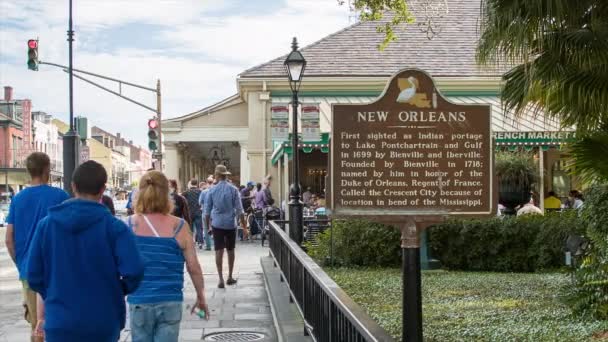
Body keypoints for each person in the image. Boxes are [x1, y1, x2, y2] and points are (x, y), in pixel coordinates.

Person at [25, 160, 144, 342]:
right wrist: (115, 289)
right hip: (103, 319)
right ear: (103, 189)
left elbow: (33, 274)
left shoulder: (46, 226)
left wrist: (54, 292)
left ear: (73, 186)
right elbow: (135, 270)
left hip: (60, 319)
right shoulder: (115, 228)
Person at [126, 171, 209, 342]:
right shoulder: (179, 226)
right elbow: (193, 267)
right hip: (170, 300)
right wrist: (201, 297)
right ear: (167, 194)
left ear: (139, 193)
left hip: (139, 300)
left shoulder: (128, 225)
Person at [4, 152, 70, 340]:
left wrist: (22, 264)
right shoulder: (60, 196)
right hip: (57, 271)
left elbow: (9, 239)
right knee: (60, 323)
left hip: (29, 272)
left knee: (37, 326)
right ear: (47, 169)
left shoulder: (18, 199)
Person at [204, 165, 246, 288]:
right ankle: (230, 276)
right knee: (230, 250)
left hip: (216, 224)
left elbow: (206, 212)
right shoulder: (233, 190)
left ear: (217, 176)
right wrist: (244, 227)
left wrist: (208, 228)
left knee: (218, 251)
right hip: (230, 224)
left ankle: (221, 279)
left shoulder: (211, 190)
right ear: (226, 175)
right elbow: (240, 210)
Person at [198, 175, 215, 250]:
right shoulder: (216, 190)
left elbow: (200, 202)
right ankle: (217, 245)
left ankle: (208, 246)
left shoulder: (204, 192)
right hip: (215, 213)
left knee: (206, 228)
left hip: (205, 212)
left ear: (207, 183)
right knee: (216, 228)